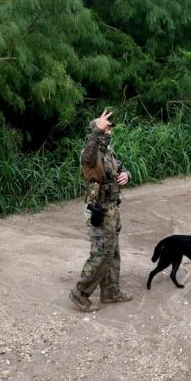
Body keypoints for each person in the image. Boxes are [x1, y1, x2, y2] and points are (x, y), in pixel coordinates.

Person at [69, 109, 133, 312]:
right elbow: (88, 155)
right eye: (105, 128)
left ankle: (111, 291)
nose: (109, 131)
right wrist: (96, 131)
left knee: (112, 252)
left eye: (109, 128)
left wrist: (126, 176)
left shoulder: (108, 152)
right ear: (97, 132)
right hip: (99, 210)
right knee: (101, 254)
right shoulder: (90, 153)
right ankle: (80, 293)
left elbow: (119, 170)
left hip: (112, 208)